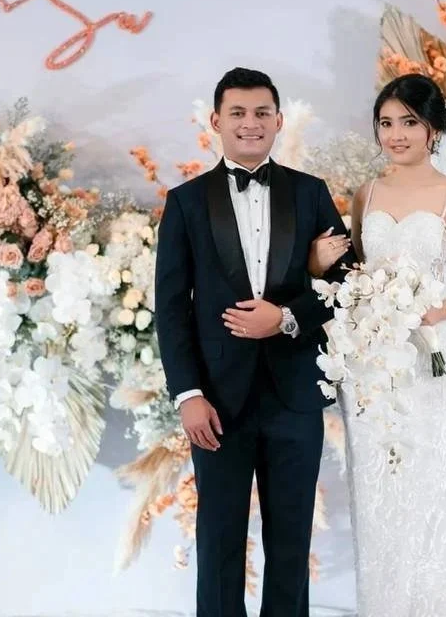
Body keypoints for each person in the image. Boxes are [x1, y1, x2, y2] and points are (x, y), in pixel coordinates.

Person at [307, 73, 446, 616]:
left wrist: (438, 310)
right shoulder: (367, 195)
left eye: (408, 122)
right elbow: (355, 277)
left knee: (434, 488)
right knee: (378, 492)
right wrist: (317, 266)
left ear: (433, 129)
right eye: (386, 123)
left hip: (432, 360)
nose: (396, 134)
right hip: (371, 367)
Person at [154, 67, 355, 617]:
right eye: (238, 113)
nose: (251, 123)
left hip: (295, 395)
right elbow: (170, 308)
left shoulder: (310, 193)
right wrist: (188, 394)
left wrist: (286, 317)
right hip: (217, 399)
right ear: (216, 121)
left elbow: (348, 283)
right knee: (219, 541)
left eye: (262, 112)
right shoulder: (186, 202)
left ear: (279, 120)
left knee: (290, 544)